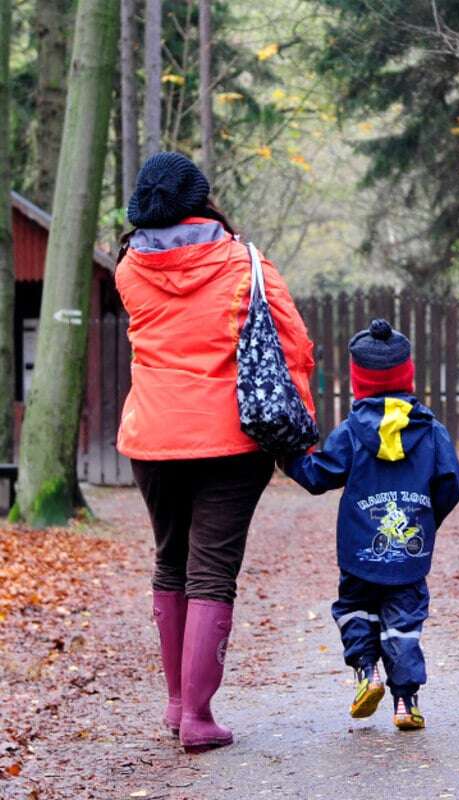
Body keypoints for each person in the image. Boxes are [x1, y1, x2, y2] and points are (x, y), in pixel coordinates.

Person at [115, 152, 316, 752]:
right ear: (203, 201)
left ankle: (178, 705)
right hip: (231, 439)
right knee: (211, 572)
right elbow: (294, 343)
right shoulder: (244, 264)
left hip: (151, 437)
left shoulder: (130, 269)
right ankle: (200, 717)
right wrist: (297, 427)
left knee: (169, 561)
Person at [284, 319, 459, 730]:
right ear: (408, 374)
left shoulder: (351, 433)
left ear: (357, 381)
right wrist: (428, 518)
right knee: (404, 622)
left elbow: (318, 475)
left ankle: (367, 672)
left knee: (354, 608)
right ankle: (406, 703)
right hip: (408, 558)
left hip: (359, 553)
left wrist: (288, 457)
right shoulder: (431, 432)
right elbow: (450, 481)